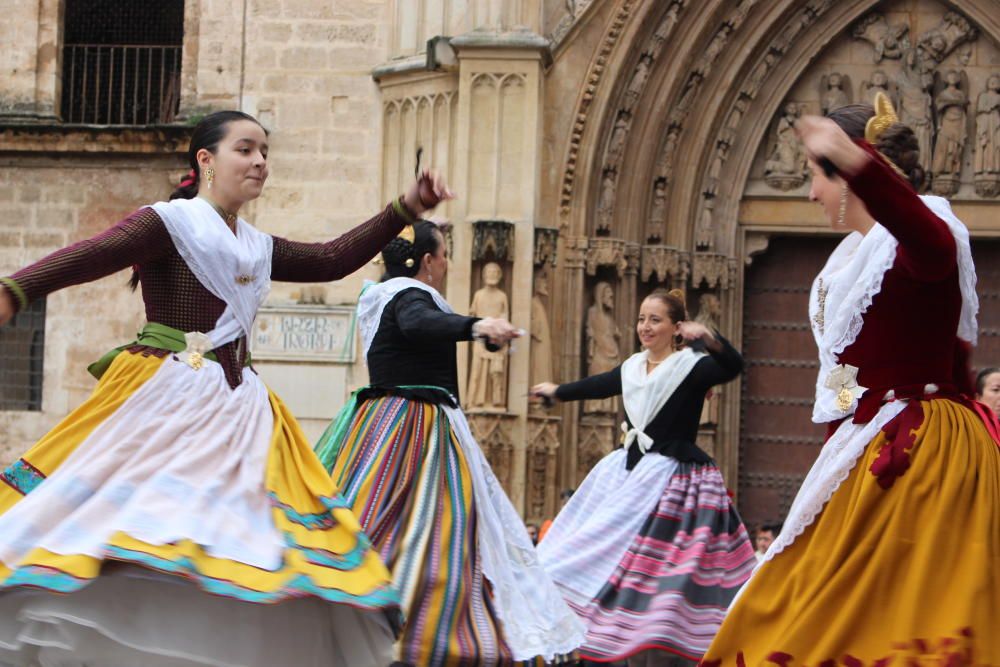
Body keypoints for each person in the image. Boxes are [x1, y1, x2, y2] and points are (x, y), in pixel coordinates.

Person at [0, 110, 449, 666]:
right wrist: (16, 291)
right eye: (246, 149)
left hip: (241, 407)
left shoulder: (258, 245)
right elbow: (91, 255)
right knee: (149, 526)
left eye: (265, 152)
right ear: (205, 160)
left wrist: (404, 209)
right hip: (168, 394)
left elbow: (332, 258)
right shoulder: (168, 222)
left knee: (243, 538)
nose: (259, 161)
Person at [702, 95, 1000, 664]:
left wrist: (856, 161)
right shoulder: (845, 266)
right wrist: (836, 447)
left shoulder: (928, 230)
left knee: (901, 619)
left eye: (817, 176)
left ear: (851, 174)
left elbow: (929, 246)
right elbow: (843, 375)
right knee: (804, 603)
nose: (811, 193)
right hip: (869, 449)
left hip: (925, 456)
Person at [312, 221, 584, 666]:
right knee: (439, 530)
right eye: (444, 254)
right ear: (428, 262)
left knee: (371, 518)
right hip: (416, 426)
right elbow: (420, 324)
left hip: (376, 424)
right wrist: (477, 325)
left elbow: (423, 332)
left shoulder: (382, 295)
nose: (447, 263)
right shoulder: (408, 295)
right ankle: (411, 632)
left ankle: (355, 617)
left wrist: (480, 333)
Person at [531, 289, 755, 666]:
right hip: (628, 470)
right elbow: (599, 384)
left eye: (655, 320)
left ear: (676, 327)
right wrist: (557, 392)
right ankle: (584, 630)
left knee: (656, 568)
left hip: (671, 477)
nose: (645, 327)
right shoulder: (633, 367)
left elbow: (733, 366)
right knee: (576, 546)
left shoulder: (691, 366)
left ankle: (652, 637)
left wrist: (710, 338)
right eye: (641, 319)